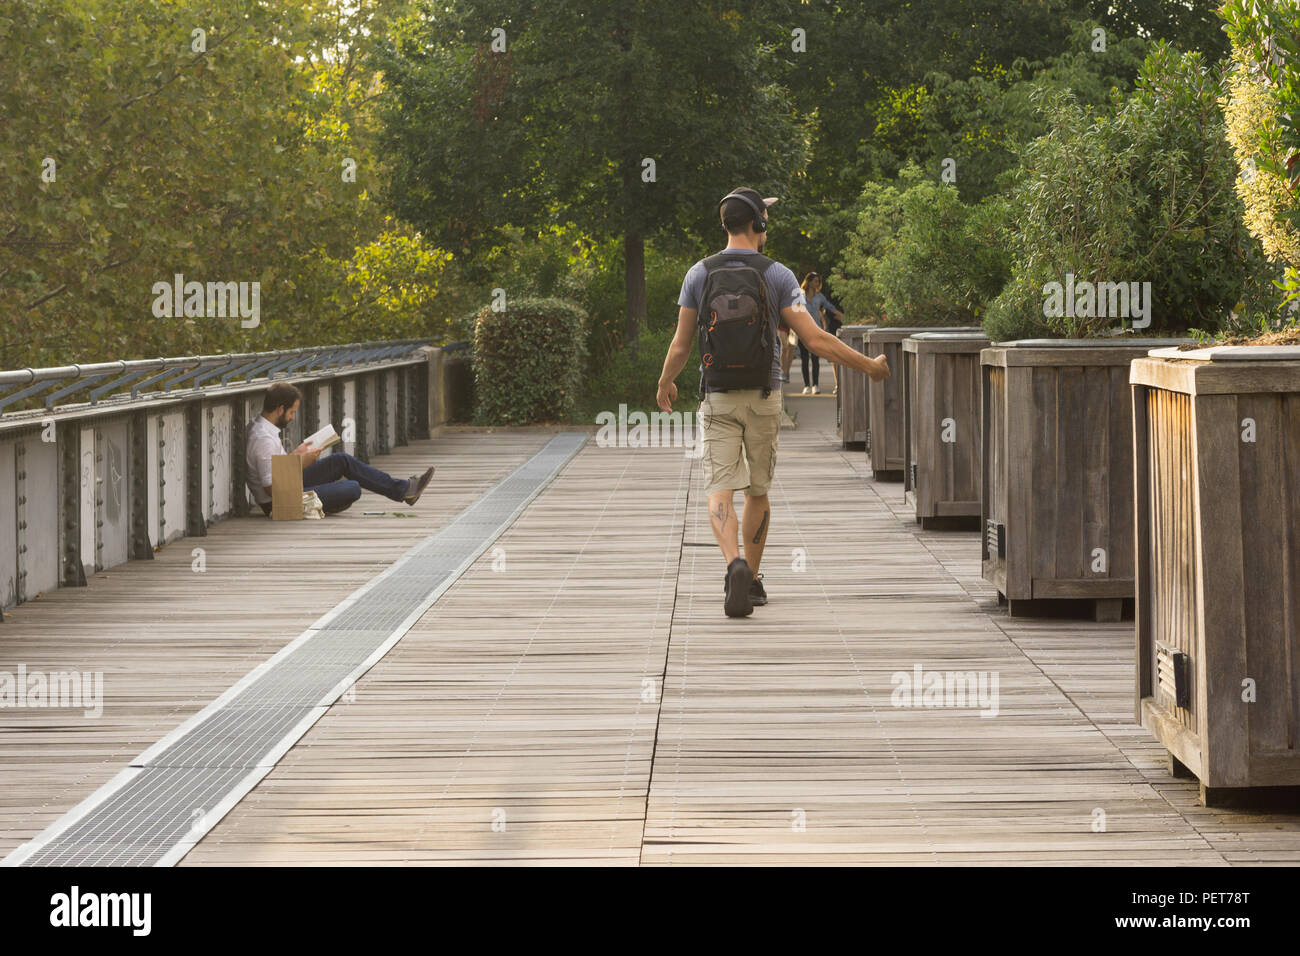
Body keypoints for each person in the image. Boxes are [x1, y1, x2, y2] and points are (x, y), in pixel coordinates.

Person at [656, 186, 890, 617]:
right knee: (758, 492)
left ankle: (734, 565)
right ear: (758, 224)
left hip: (718, 397)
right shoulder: (778, 275)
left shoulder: (699, 274)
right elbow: (817, 340)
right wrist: (870, 368)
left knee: (718, 491)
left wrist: (665, 382)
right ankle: (754, 582)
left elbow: (681, 343)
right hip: (764, 397)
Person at [245, 382, 435, 516]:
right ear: (280, 409)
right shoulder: (263, 439)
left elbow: (276, 468)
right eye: (292, 412)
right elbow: (272, 489)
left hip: (288, 487)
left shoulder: (263, 428)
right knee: (351, 488)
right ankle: (324, 504)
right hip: (280, 503)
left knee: (341, 460)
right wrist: (300, 463)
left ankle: (404, 490)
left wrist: (297, 454)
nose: (293, 418)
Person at [801, 272, 847, 395]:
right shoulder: (800, 295)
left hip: (816, 330)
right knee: (805, 359)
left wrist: (843, 316)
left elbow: (830, 307)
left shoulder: (819, 297)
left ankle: (815, 385)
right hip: (802, 330)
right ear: (809, 281)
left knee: (815, 358)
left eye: (818, 281)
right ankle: (807, 385)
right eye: (815, 281)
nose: (817, 284)